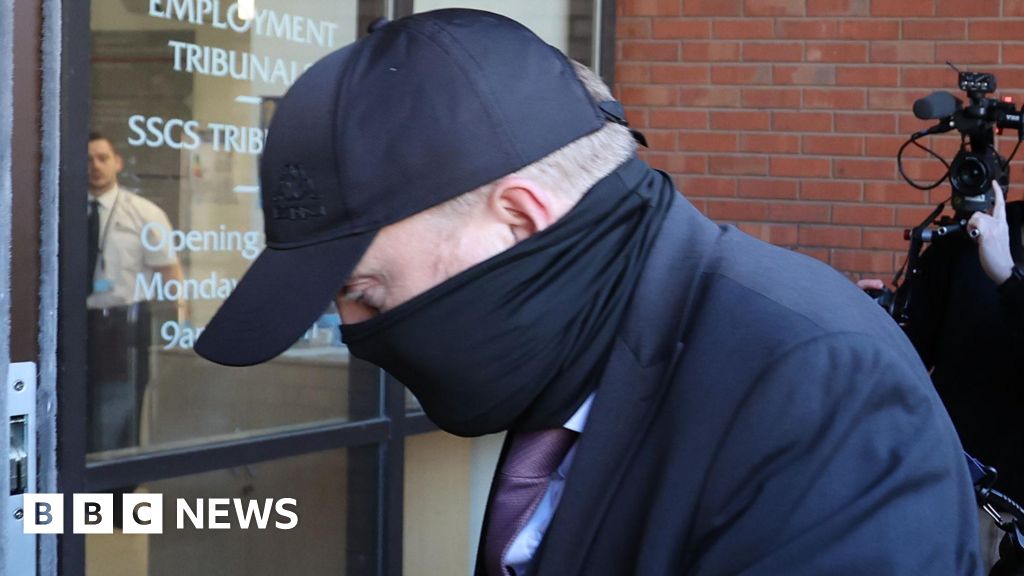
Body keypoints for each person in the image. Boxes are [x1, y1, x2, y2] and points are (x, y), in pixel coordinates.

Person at [195, 10, 981, 575]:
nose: (352, 328)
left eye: (365, 291)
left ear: (519, 221)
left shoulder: (816, 389)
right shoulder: (574, 339)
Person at [86, 132, 182, 452]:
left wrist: (178, 327)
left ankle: (115, 479)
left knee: (119, 413)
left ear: (117, 163)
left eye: (102, 158)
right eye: (87, 160)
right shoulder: (62, 211)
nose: (95, 166)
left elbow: (170, 273)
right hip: (75, 323)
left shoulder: (144, 213)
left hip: (122, 324)